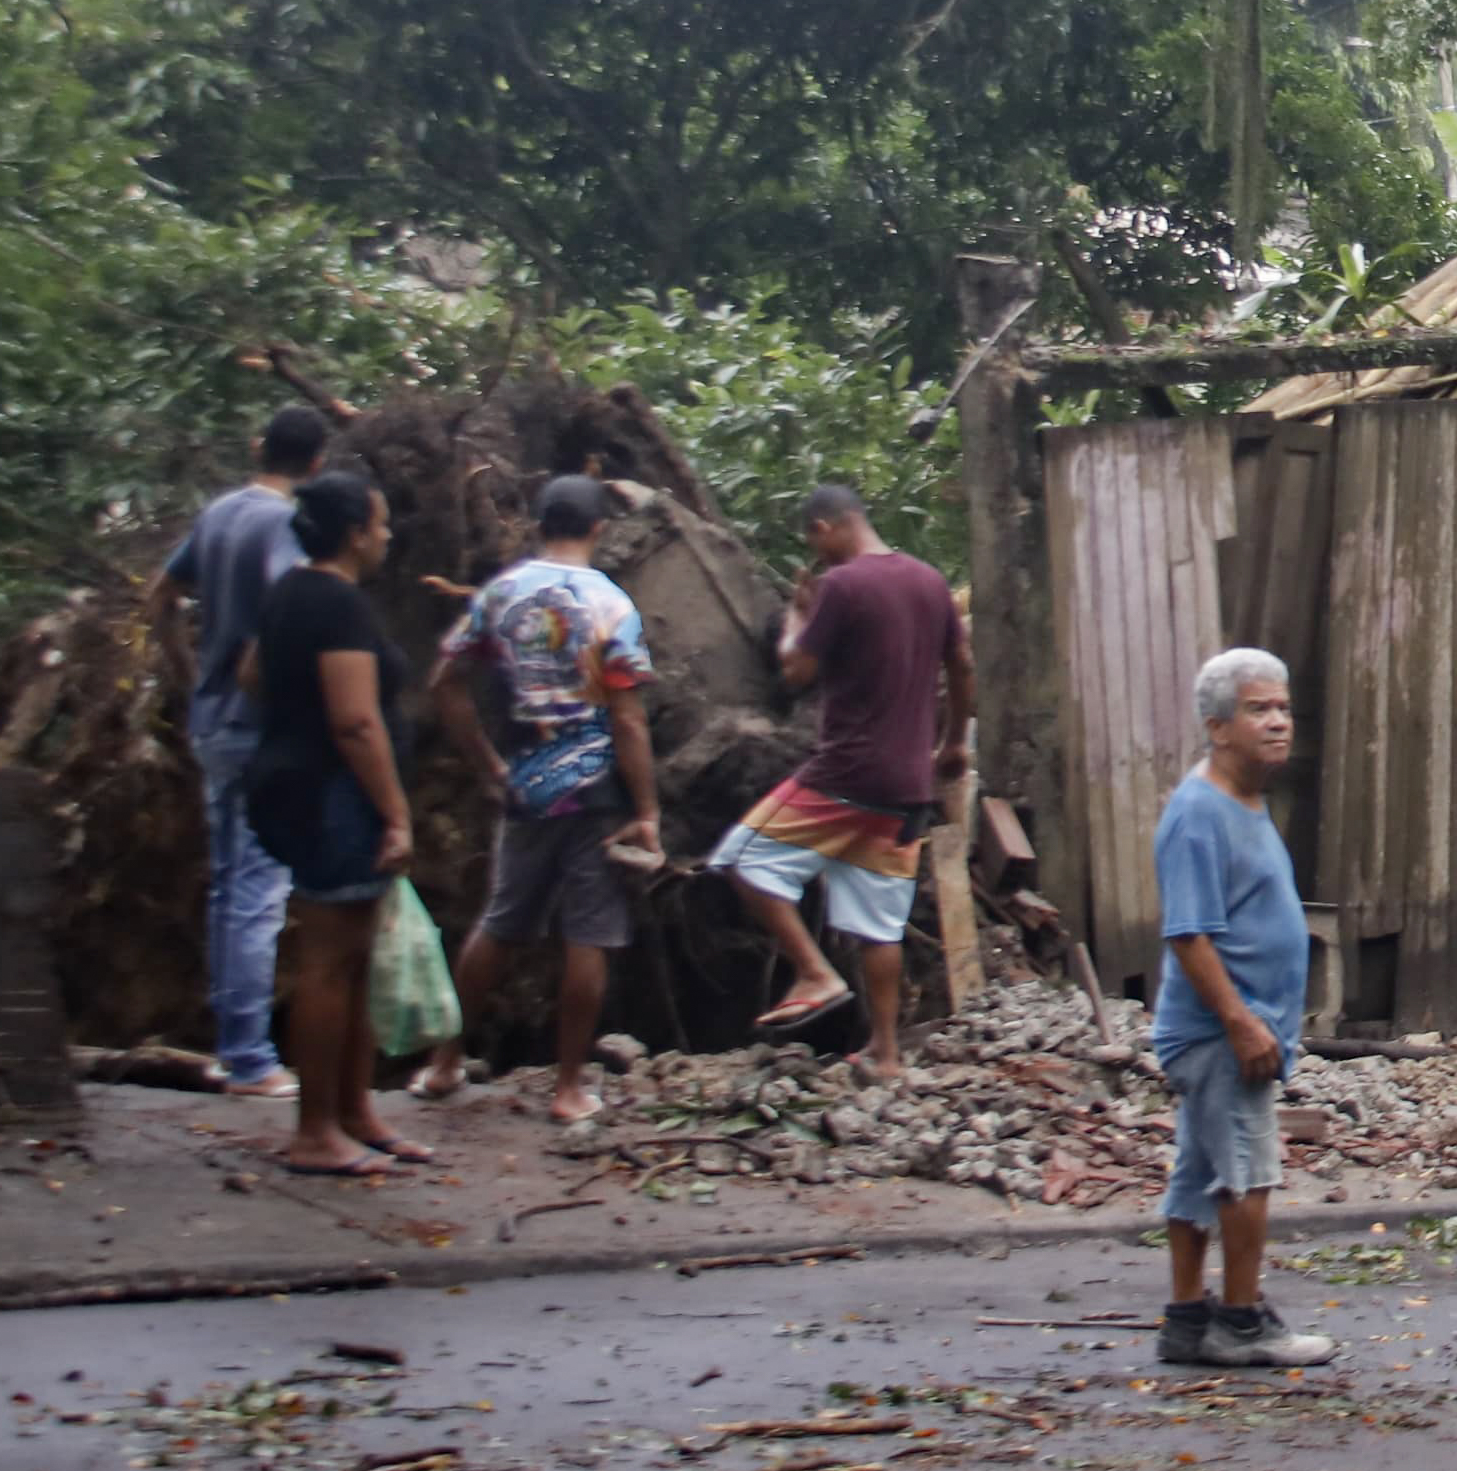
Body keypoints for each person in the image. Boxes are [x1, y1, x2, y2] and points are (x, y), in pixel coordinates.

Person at [417, 476, 663, 1124]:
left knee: (499, 923)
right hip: (597, 790)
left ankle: (444, 1063)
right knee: (588, 935)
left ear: (538, 524)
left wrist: (486, 765)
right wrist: (647, 812)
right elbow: (630, 719)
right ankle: (569, 1088)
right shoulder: (611, 604)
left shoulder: (501, 594)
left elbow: (444, 681)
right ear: (598, 530)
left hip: (526, 783)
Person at [708, 485, 969, 1077]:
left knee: (739, 860)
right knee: (878, 924)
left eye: (812, 540)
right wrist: (952, 742)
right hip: (907, 786)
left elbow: (796, 670)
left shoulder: (842, 586)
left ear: (826, 527)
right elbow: (964, 664)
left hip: (844, 774)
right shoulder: (929, 581)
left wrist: (796, 618)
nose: (815, 552)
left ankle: (813, 970)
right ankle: (885, 1053)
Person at [243, 471, 431, 1176]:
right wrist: (395, 813)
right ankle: (315, 1130)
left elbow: (250, 674)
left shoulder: (290, 593)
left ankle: (355, 1111)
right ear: (355, 533)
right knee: (328, 960)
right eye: (380, 526)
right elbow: (355, 721)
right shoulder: (338, 604)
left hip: (289, 783)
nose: (386, 537)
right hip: (333, 796)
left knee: (354, 957)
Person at [1151, 649, 1333, 1370]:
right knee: (1248, 1175)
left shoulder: (1245, 799)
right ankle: (1242, 1321)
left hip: (1239, 1028)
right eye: (1259, 709)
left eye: (1283, 707)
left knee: (1199, 1175)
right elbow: (1188, 934)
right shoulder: (1198, 812)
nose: (1279, 721)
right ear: (1217, 726)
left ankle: (1187, 1319)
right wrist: (1240, 1020)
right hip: (1222, 1032)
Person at [149, 403, 334, 1099]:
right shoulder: (283, 524)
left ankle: (232, 1047)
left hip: (209, 722)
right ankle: (250, 1060)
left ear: (260, 446)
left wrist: (188, 673)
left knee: (230, 887)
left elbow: (161, 594)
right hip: (258, 730)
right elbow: (283, 614)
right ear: (317, 463)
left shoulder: (221, 513)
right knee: (259, 893)